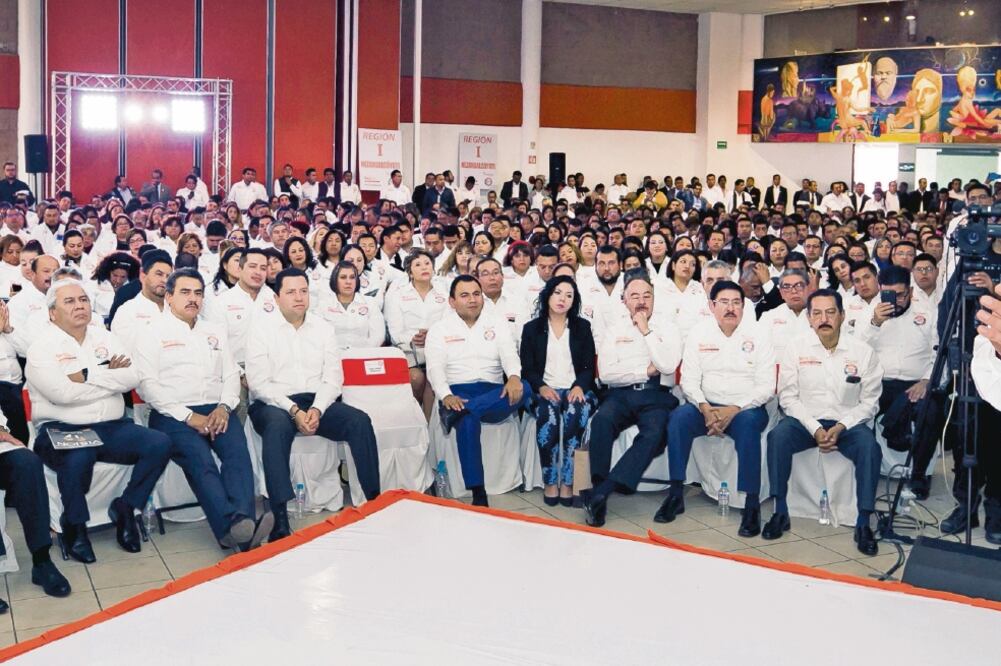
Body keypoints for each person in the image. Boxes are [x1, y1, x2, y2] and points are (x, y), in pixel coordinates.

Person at [27, 279, 171, 562]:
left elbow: (131, 376)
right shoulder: (41, 347)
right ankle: (75, 525)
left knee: (159, 443)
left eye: (83, 300)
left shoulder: (104, 337)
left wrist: (87, 375)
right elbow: (61, 393)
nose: (80, 305)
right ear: (52, 313)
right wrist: (108, 375)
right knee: (79, 456)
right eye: (69, 301)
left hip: (112, 426)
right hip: (61, 429)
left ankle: (127, 507)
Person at [134, 268, 271, 551]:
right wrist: (188, 416)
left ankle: (240, 526)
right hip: (173, 414)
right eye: (184, 292)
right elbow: (148, 386)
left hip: (217, 409)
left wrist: (224, 407)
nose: (192, 298)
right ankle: (233, 528)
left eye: (198, 293)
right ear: (169, 296)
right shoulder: (150, 333)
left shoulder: (214, 331)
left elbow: (231, 375)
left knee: (237, 454)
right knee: (201, 461)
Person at [246, 268, 380, 541]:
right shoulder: (260, 330)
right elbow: (259, 384)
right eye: (291, 292)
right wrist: (294, 411)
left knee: (359, 420)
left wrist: (316, 410)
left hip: (315, 399)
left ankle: (375, 501)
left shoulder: (323, 328)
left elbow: (333, 378)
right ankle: (279, 515)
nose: (299, 297)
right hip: (273, 403)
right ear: (276, 296)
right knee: (277, 426)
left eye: (303, 291)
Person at [763, 289, 883, 556]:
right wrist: (815, 427)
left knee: (870, 448)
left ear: (842, 315)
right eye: (817, 313)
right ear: (808, 318)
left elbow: (870, 403)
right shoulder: (796, 348)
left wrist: (841, 426)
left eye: (830, 312)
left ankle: (863, 522)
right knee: (777, 437)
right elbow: (789, 397)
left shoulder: (862, 352)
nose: (823, 318)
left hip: (848, 423)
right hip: (806, 421)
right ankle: (780, 510)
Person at [659, 281, 774, 535]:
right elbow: (689, 379)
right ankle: (675, 493)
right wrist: (704, 407)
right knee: (678, 419)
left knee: (748, 428)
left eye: (736, 303)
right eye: (724, 302)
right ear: (712, 306)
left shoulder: (760, 334)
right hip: (706, 405)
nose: (730, 308)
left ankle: (751, 503)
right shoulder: (699, 333)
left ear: (744, 307)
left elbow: (766, 386)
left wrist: (735, 408)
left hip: (746, 408)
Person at [582, 274, 682, 527]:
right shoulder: (614, 329)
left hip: (656, 395)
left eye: (647, 296)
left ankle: (603, 491)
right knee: (602, 421)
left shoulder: (667, 327)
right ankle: (598, 487)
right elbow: (606, 373)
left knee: (655, 432)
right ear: (624, 300)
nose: (641, 301)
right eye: (634, 296)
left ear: (654, 299)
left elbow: (668, 365)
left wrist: (646, 331)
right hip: (620, 394)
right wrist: (644, 371)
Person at [424, 275, 530, 507]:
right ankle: (478, 491)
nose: (472, 299)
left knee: (526, 387)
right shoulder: (440, 329)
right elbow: (434, 369)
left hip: (493, 393)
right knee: (469, 419)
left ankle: (461, 411)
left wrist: (513, 377)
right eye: (464, 295)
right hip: (458, 391)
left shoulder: (497, 322)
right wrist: (446, 396)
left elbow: (510, 355)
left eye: (475, 294)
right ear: (451, 302)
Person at [855, 265, 939, 498]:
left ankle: (920, 474)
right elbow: (857, 351)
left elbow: (938, 353)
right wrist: (874, 324)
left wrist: (926, 381)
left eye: (900, 295)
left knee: (930, 412)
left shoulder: (928, 312)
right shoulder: (871, 312)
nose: (895, 300)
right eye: (888, 294)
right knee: (858, 410)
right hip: (879, 382)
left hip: (916, 382)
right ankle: (866, 468)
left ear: (910, 292)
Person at [520, 276, 597, 506]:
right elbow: (527, 368)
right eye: (558, 293)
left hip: (577, 389)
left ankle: (569, 482)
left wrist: (579, 386)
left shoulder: (582, 327)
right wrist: (542, 387)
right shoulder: (531, 328)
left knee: (576, 412)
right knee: (549, 414)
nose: (562, 299)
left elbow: (588, 367)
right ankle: (550, 481)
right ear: (548, 295)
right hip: (542, 389)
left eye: (569, 295)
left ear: (574, 301)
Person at [385, 250, 450, 419]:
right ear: (409, 272)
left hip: (437, 349)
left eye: (427, 263)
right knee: (416, 378)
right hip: (407, 351)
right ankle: (411, 418)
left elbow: (448, 324)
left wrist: (431, 337)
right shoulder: (398, 294)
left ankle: (427, 426)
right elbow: (395, 331)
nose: (424, 268)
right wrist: (414, 339)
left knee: (433, 377)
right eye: (418, 265)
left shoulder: (443, 293)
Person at [110, 250, 173, 353]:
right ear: (143, 276)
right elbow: (123, 355)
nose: (164, 280)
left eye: (168, 276)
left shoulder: (175, 308)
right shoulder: (127, 312)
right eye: (159, 274)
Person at [317, 261, 386, 349]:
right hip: (334, 357)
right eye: (343, 277)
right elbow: (319, 337)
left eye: (352, 277)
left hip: (363, 356)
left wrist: (360, 354)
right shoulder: (323, 306)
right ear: (335, 280)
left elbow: (378, 336)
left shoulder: (370, 303)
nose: (348, 282)